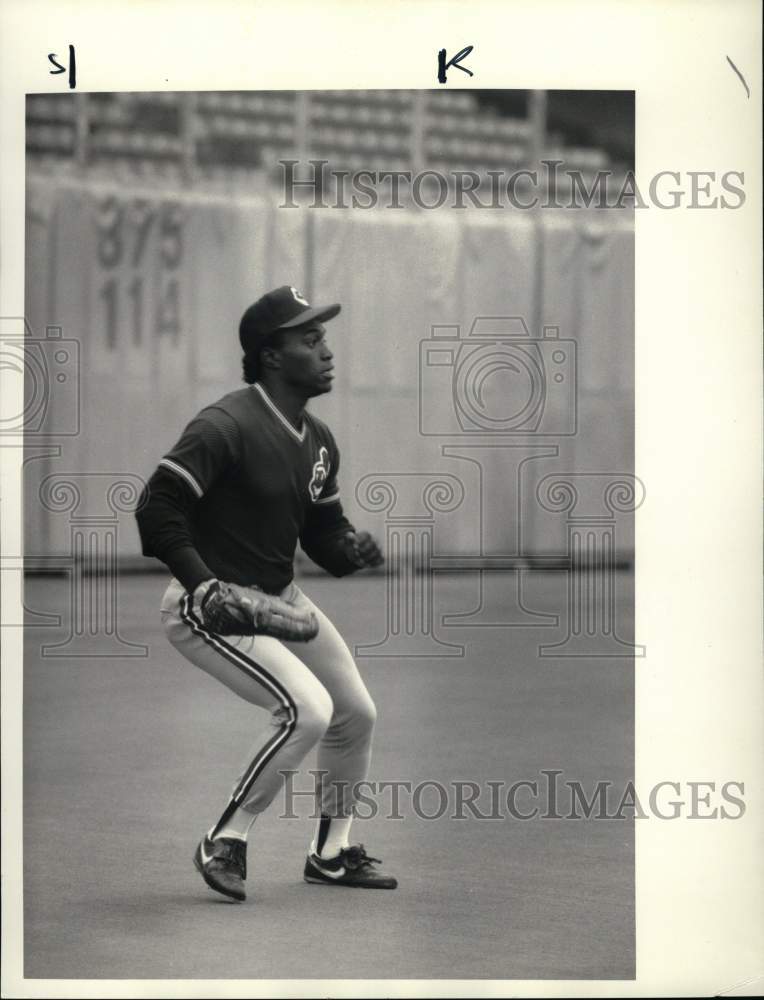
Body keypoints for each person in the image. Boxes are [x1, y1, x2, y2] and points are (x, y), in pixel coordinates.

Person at [135, 285, 397, 902]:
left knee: (356, 712)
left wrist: (351, 550)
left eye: (324, 337)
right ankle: (225, 838)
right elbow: (157, 507)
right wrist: (205, 585)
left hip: (280, 600)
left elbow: (325, 538)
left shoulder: (319, 441)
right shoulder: (225, 426)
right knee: (307, 709)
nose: (326, 351)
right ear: (271, 356)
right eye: (310, 340)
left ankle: (331, 855)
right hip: (207, 608)